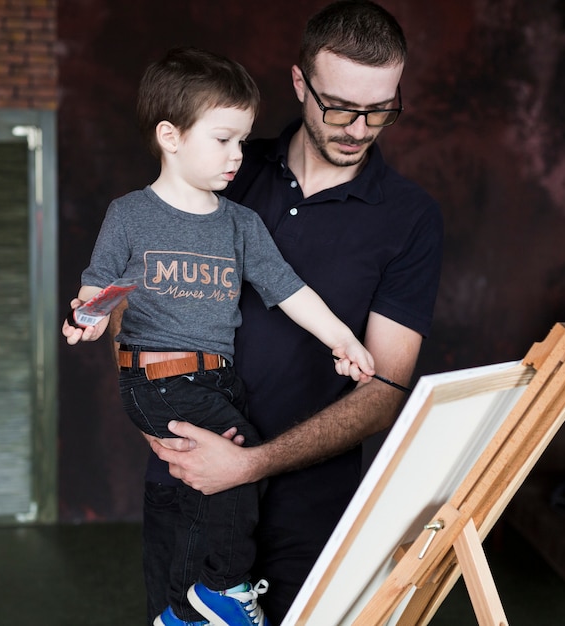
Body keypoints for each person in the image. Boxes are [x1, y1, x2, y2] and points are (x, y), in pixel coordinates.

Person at [145, 1, 444, 624]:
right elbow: (135, 300)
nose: (359, 128)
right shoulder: (222, 166)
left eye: (380, 109)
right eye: (339, 106)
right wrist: (155, 422)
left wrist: (251, 464)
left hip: (312, 512)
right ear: (300, 83)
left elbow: (385, 387)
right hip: (189, 485)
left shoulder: (411, 218)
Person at [63, 46, 375, 626]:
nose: (238, 155)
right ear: (170, 136)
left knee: (207, 491)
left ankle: (183, 610)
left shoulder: (240, 223)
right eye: (223, 139)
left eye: (242, 140)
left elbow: (289, 290)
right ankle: (223, 587)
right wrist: (89, 318)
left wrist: (344, 340)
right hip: (158, 377)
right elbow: (96, 291)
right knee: (238, 462)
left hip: (217, 380)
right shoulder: (129, 215)